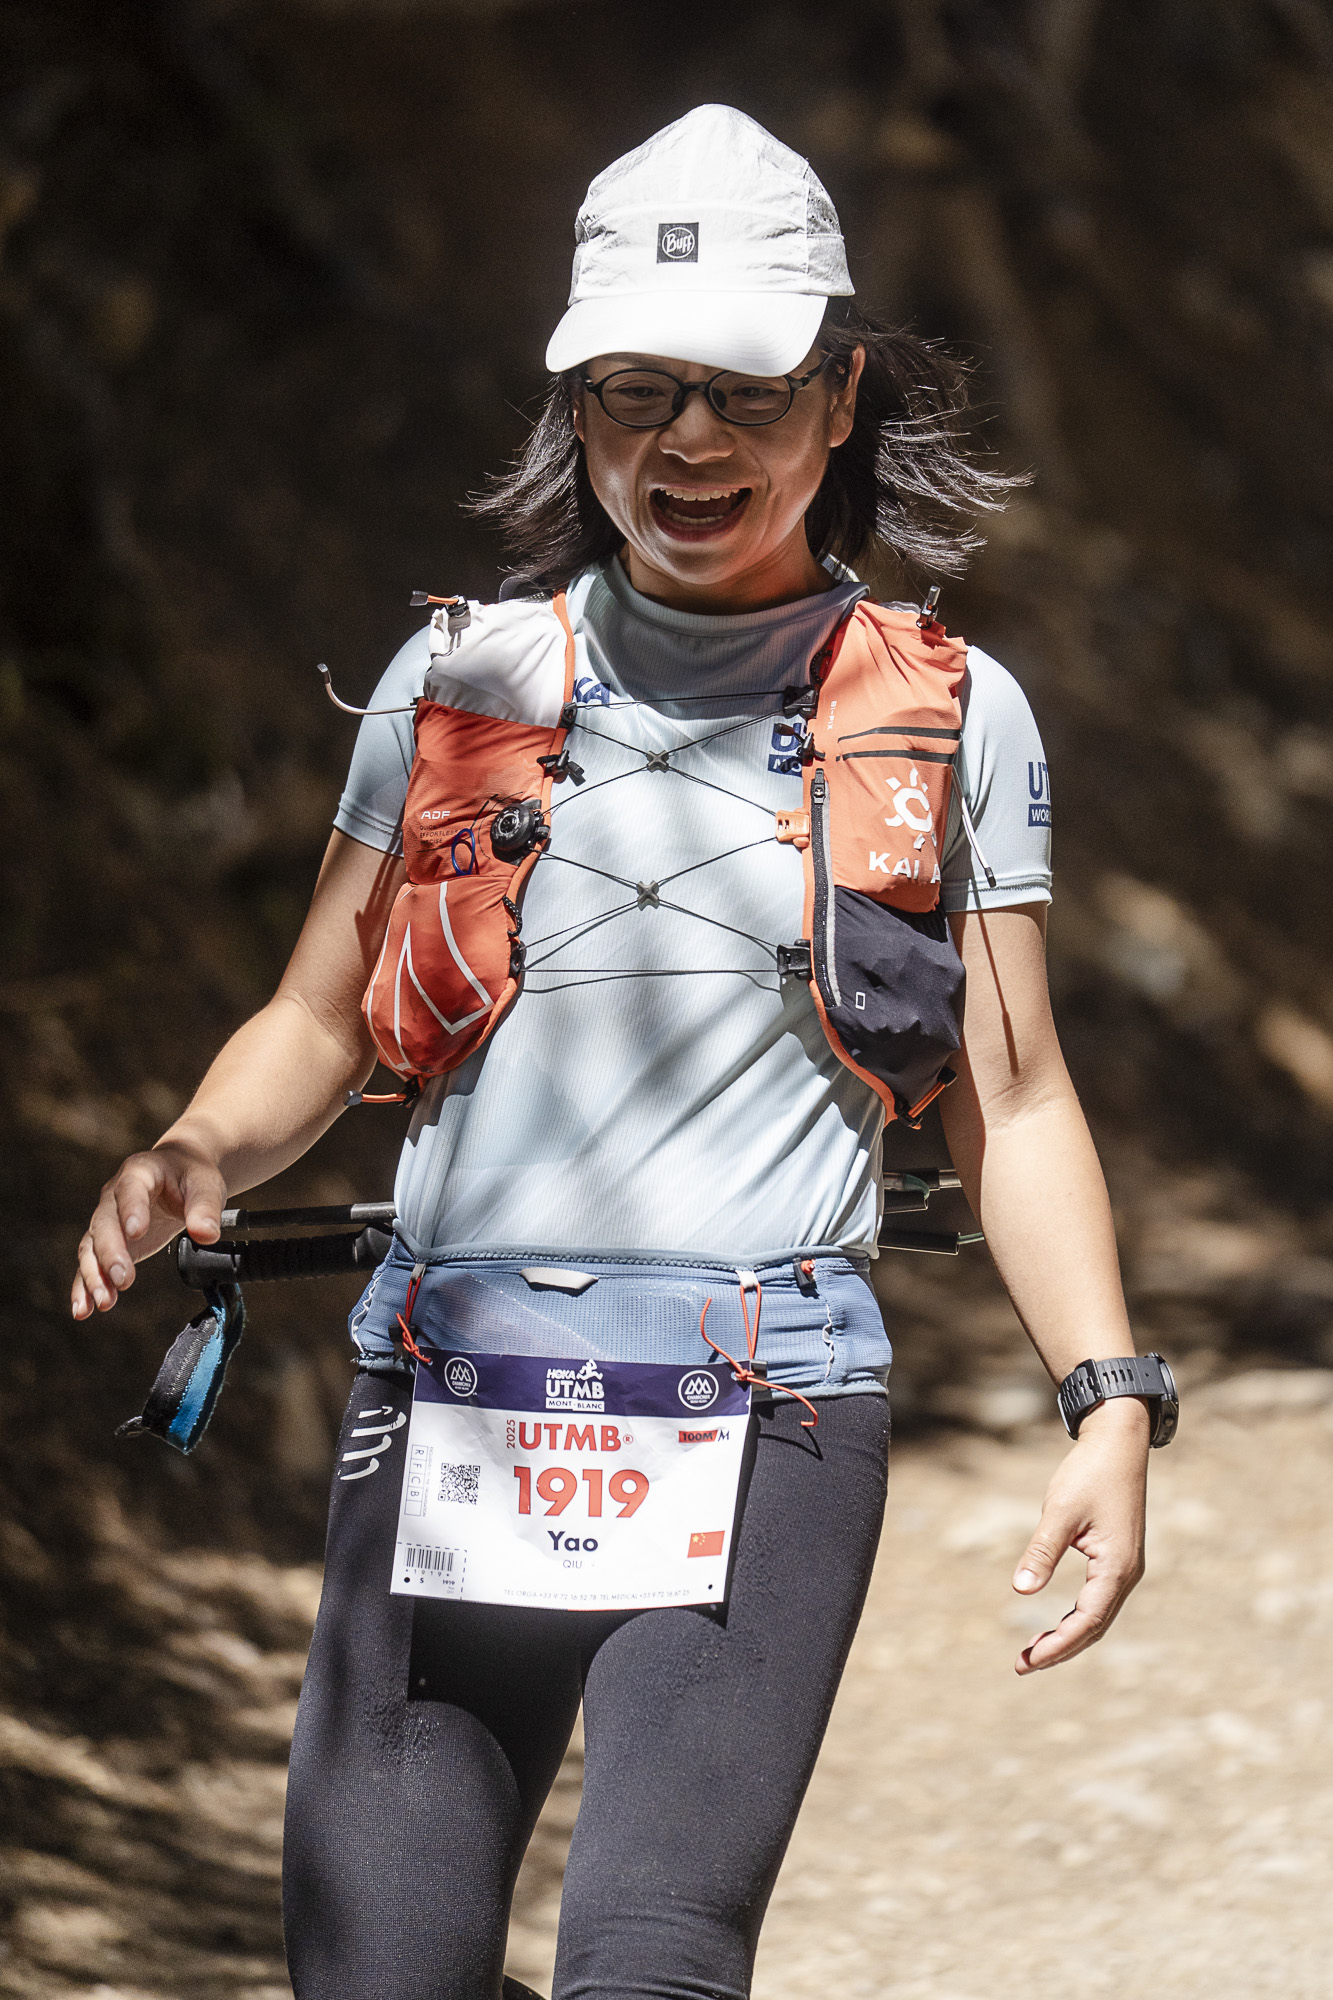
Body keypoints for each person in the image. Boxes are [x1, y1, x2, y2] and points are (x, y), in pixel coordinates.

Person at [73, 105, 1167, 2000]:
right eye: (634, 391)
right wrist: (198, 1147)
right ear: (576, 409)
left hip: (769, 1411)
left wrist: (1108, 1397)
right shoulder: (457, 686)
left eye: (743, 391)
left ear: (839, 397)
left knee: (653, 1963)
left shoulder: (945, 716)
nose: (688, 441)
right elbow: (319, 1016)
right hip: (452, 1397)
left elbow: (1014, 1096)